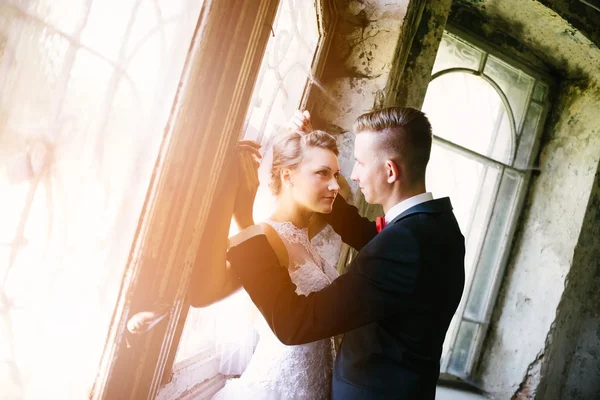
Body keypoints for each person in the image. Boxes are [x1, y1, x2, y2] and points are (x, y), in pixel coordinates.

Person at [226, 107, 466, 399]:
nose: (352, 177)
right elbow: (369, 236)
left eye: (361, 164)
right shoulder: (435, 226)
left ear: (390, 171)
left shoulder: (404, 243)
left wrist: (244, 222)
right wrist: (313, 163)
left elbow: (294, 324)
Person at [211, 128, 348, 399]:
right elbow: (208, 292)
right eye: (323, 173)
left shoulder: (305, 233)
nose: (335, 186)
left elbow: (343, 200)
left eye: (335, 175)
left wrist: (305, 141)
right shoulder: (264, 237)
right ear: (287, 175)